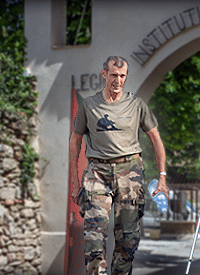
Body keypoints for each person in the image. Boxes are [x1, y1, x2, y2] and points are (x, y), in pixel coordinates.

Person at [69, 56, 170, 275]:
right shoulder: (89, 105)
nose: (118, 80)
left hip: (130, 173)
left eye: (122, 76)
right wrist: (76, 183)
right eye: (114, 75)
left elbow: (156, 139)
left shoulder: (136, 104)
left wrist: (162, 177)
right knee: (94, 238)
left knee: (128, 240)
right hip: (97, 173)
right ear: (104, 74)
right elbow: (75, 140)